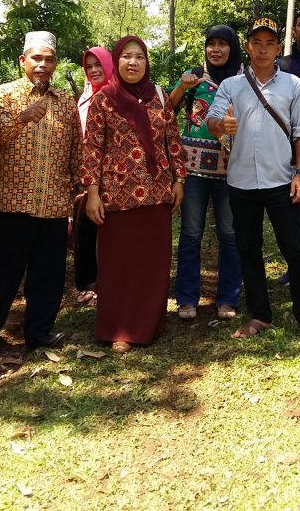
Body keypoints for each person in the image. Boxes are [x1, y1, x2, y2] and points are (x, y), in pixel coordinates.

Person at [206, 17, 300, 350]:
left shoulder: (293, 85)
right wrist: (223, 125)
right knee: (248, 249)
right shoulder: (232, 86)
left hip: (282, 180)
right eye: (256, 42)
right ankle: (260, 314)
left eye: (269, 43)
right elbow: (212, 120)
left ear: (278, 48)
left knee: (295, 249)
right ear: (247, 46)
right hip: (242, 182)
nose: (263, 49)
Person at [0, 31, 82, 360]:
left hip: (53, 204)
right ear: (23, 61)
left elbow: (76, 151)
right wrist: (22, 118)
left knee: (47, 274)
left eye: (48, 59)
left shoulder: (65, 102)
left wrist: (77, 188)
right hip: (11, 203)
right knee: (2, 272)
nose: (42, 65)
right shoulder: (5, 95)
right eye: (36, 58)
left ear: (55, 64)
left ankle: (39, 331)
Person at [82, 36, 186, 353]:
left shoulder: (159, 97)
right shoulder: (104, 100)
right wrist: (92, 193)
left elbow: (173, 140)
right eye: (126, 56)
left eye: (139, 57)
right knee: (119, 264)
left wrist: (179, 179)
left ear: (146, 62)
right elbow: (92, 150)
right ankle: (119, 328)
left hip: (157, 193)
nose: (133, 62)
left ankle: (148, 324)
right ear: (117, 61)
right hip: (117, 196)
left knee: (152, 263)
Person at [168, 25, 244, 321]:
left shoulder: (244, 79)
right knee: (190, 233)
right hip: (194, 168)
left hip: (230, 168)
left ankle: (228, 299)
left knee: (229, 233)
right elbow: (167, 110)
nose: (215, 49)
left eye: (222, 44)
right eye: (211, 44)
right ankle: (187, 299)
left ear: (232, 47)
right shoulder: (194, 75)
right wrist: (183, 87)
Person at [73, 46, 114, 306]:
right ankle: (88, 282)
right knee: (85, 227)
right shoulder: (85, 98)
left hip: (114, 174)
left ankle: (109, 282)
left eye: (98, 65)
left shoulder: (118, 96)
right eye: (89, 66)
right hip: (86, 174)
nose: (94, 70)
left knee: (111, 231)